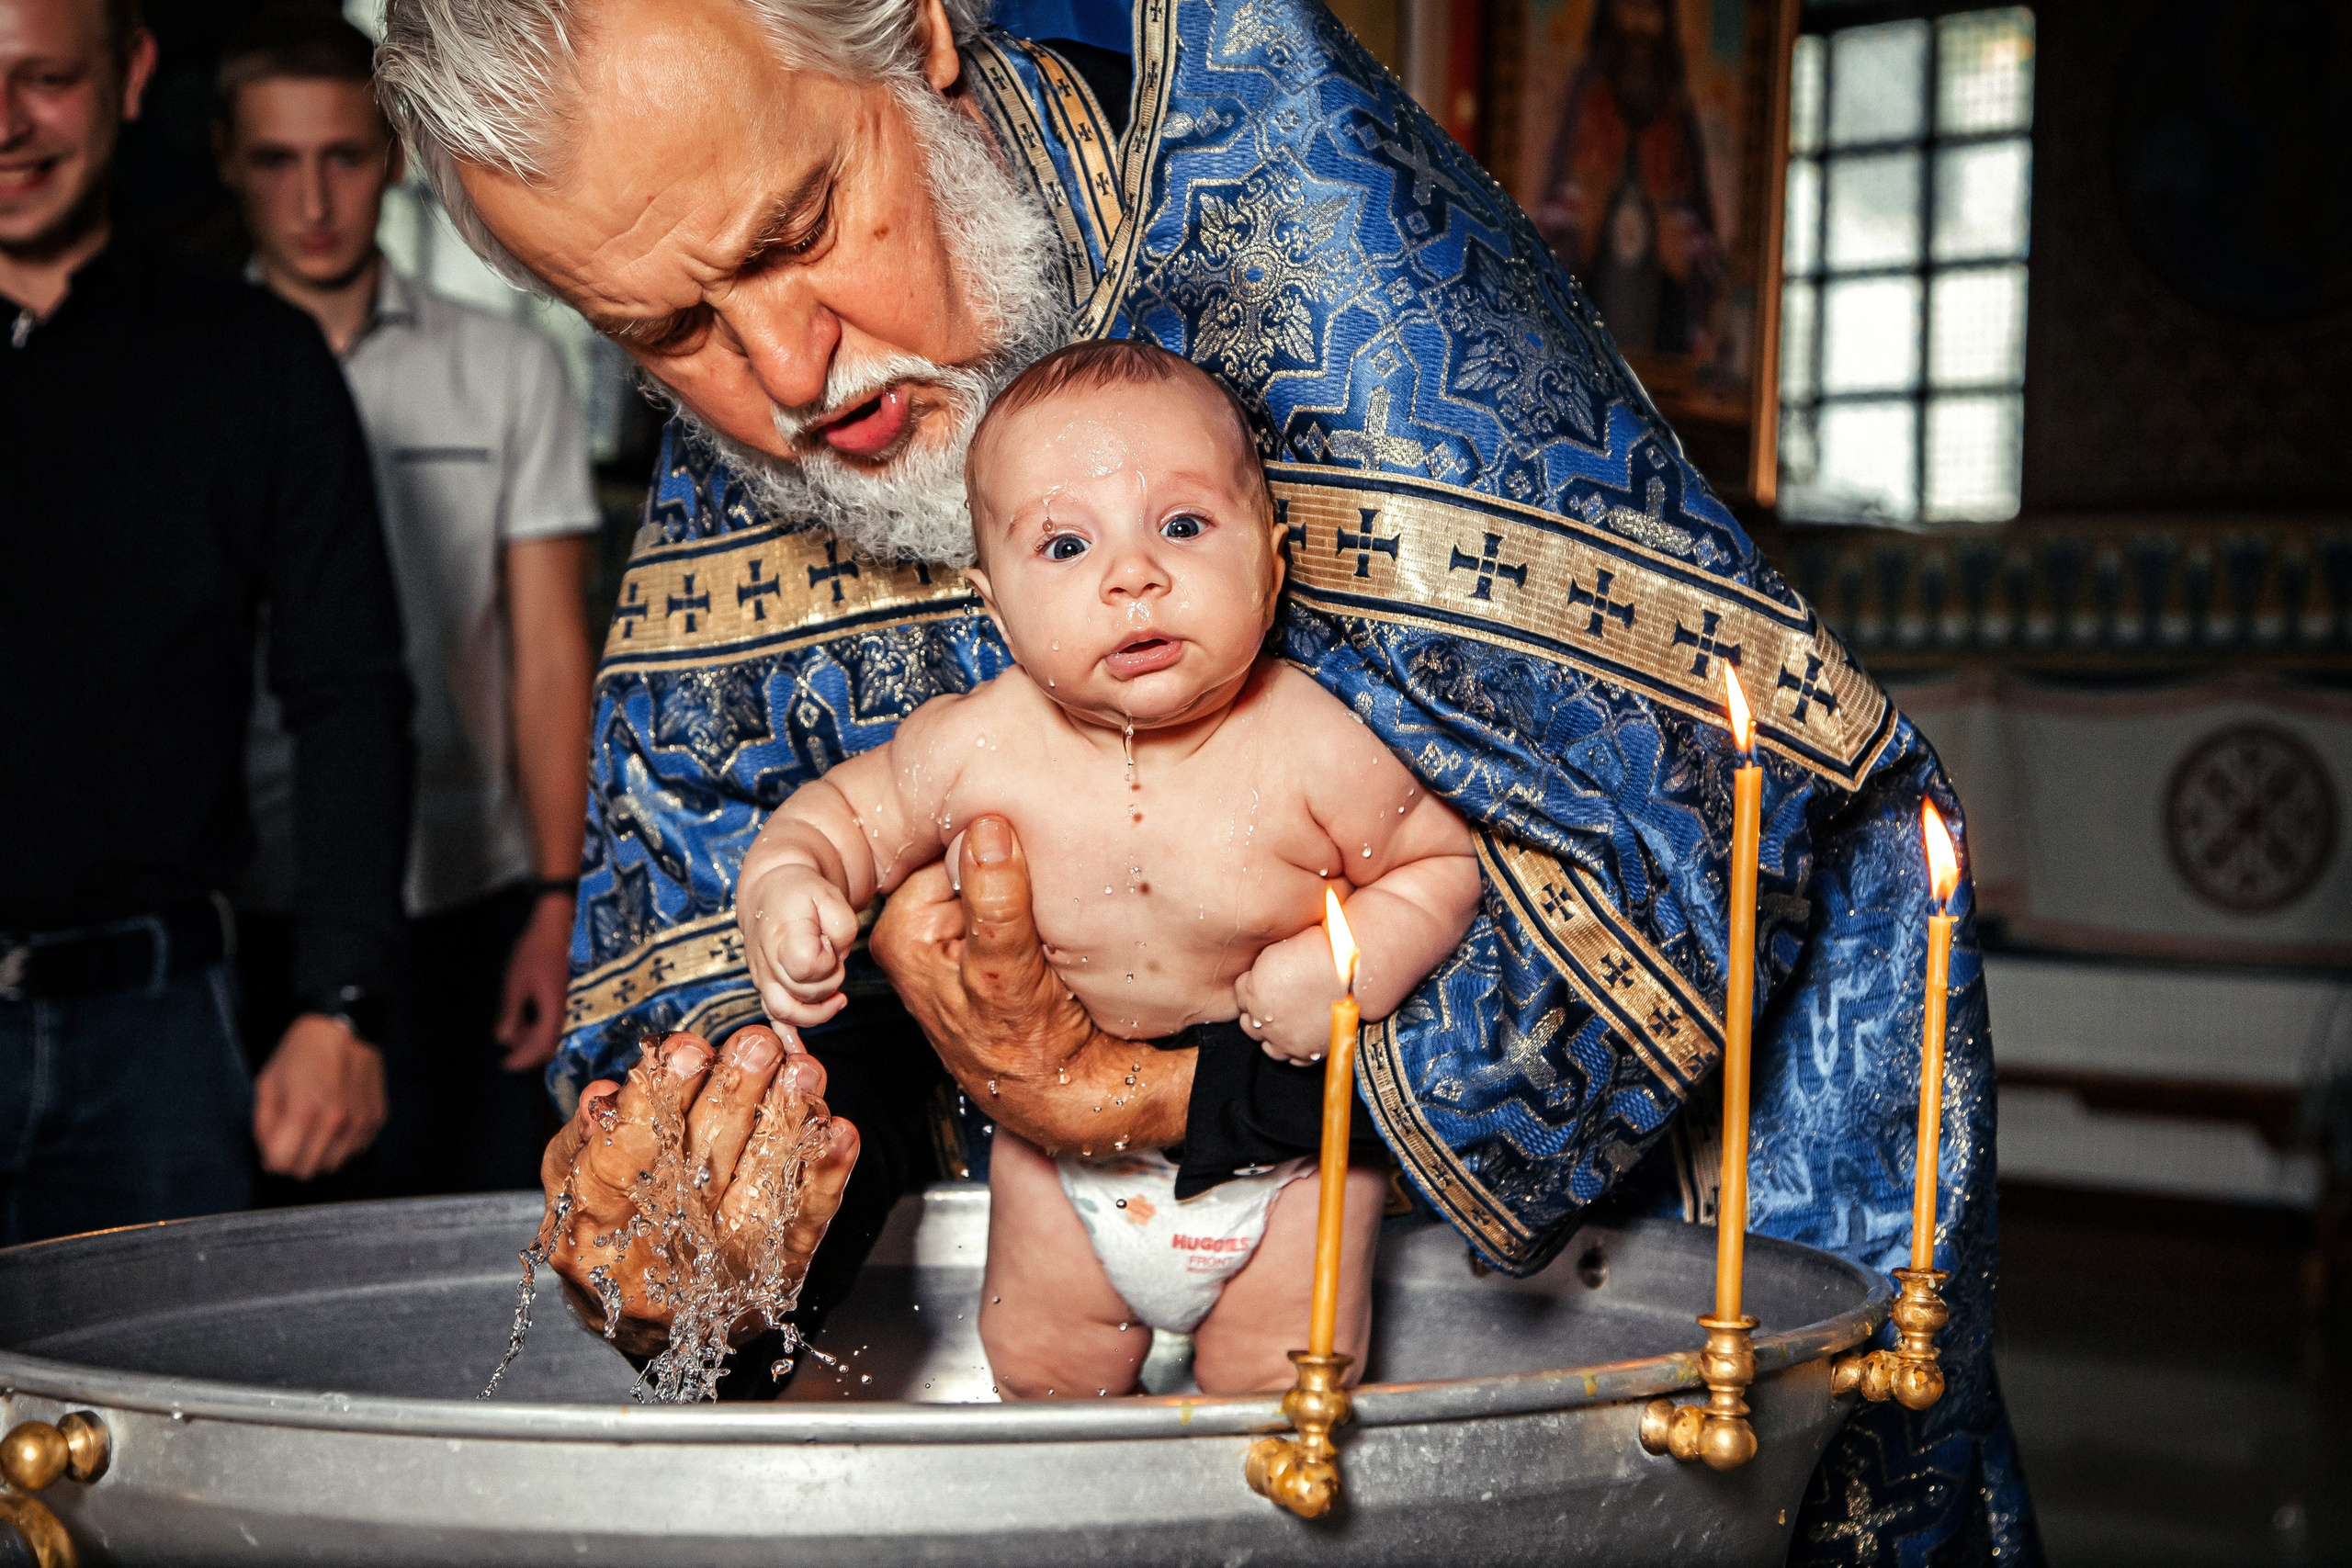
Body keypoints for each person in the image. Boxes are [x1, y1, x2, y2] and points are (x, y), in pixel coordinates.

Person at [376, 0, 2041, 1554]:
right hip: (1040, 1342)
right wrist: (719, 1216)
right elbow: (722, 986)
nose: (792, 377)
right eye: (666, 326)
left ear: (926, 34)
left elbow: (1685, 822)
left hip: (1525, 1293)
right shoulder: (744, 407)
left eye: (802, 231)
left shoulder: (1319, 248)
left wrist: (1154, 1097)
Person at [741, 341, 1480, 1395]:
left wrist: (1349, 962)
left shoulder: (1311, 745)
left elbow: (1438, 865)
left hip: (1289, 1164)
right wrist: (791, 888)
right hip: (1061, 1163)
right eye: (1065, 545)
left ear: (1270, 564)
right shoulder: (975, 750)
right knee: (1043, 1369)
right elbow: (832, 823)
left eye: (1182, 527)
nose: (1133, 575)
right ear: (993, 607)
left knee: (1281, 1393)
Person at [0, 0, 412, 1242]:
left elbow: (349, 688)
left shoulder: (258, 361)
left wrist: (342, 1002)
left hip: (163, 1032)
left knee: (156, 1423)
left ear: (128, 75)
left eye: (45, 80)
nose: (6, 125)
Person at [213, 8, 599, 1196]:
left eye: (342, 154)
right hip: (245, 897)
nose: (314, 197)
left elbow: (546, 651)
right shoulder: (183, 377)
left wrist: (554, 898)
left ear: (389, 152)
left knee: (469, 1234)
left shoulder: (507, 365)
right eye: (278, 160)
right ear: (230, 164)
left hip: (465, 888)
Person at [1533, 0, 1724, 359]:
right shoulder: (1587, 100)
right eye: (1629, 7)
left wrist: (1681, 258)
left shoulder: (1677, 114)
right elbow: (1554, 223)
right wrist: (1584, 226)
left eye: (1649, 10)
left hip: (1660, 328)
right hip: (1592, 310)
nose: (1638, 26)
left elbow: (1700, 241)